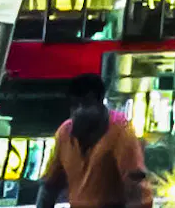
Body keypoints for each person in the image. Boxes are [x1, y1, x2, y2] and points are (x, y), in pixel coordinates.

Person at [44, 66, 155, 208]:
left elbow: (136, 188)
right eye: (75, 105)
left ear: (99, 102)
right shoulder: (64, 133)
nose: (79, 111)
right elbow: (50, 185)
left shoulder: (120, 131)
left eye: (85, 104)